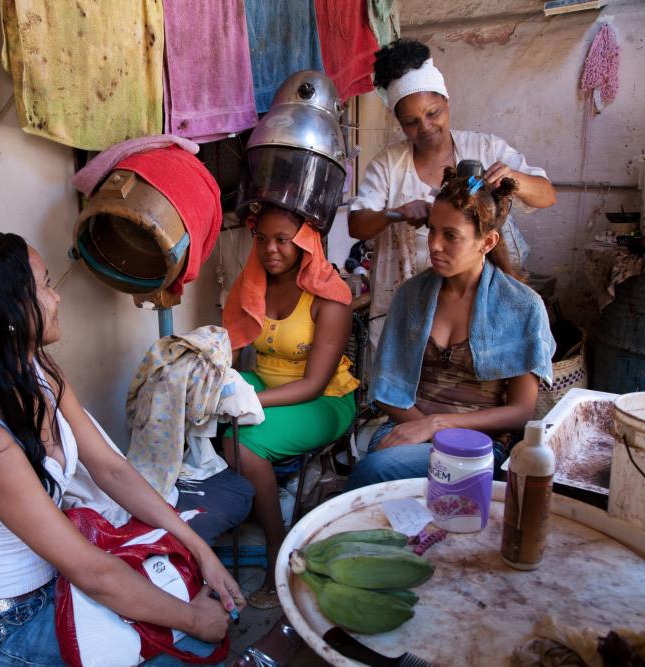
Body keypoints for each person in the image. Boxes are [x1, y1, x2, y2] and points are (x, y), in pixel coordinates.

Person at [0, 232, 243, 666]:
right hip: (5, 628)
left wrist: (199, 550)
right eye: (45, 285)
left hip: (55, 584)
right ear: (8, 311)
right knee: (194, 645)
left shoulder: (39, 373)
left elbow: (112, 470)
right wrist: (192, 620)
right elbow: (92, 573)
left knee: (182, 583)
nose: (56, 298)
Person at [344, 167, 555, 492]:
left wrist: (438, 424)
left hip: (480, 444)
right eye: (432, 231)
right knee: (381, 467)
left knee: (374, 472)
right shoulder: (411, 295)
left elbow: (520, 411)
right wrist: (422, 427)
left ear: (487, 242)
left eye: (451, 236)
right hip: (405, 428)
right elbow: (387, 392)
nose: (435, 245)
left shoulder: (522, 307)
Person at [348, 38, 556, 352]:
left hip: (476, 303)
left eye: (433, 113)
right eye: (411, 122)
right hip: (403, 298)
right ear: (400, 124)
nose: (426, 127)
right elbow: (357, 225)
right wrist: (397, 214)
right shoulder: (389, 165)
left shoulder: (485, 148)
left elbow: (546, 195)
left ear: (447, 102)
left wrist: (513, 178)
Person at [221, 204, 357, 609]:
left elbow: (314, 385)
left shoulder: (328, 296)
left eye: (283, 239)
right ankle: (225, 518)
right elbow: (227, 352)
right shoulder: (252, 285)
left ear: (305, 242)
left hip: (325, 399)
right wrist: (215, 387)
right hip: (267, 383)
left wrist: (247, 399)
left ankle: (275, 550)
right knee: (199, 409)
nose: (270, 249)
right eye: (262, 238)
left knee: (241, 444)